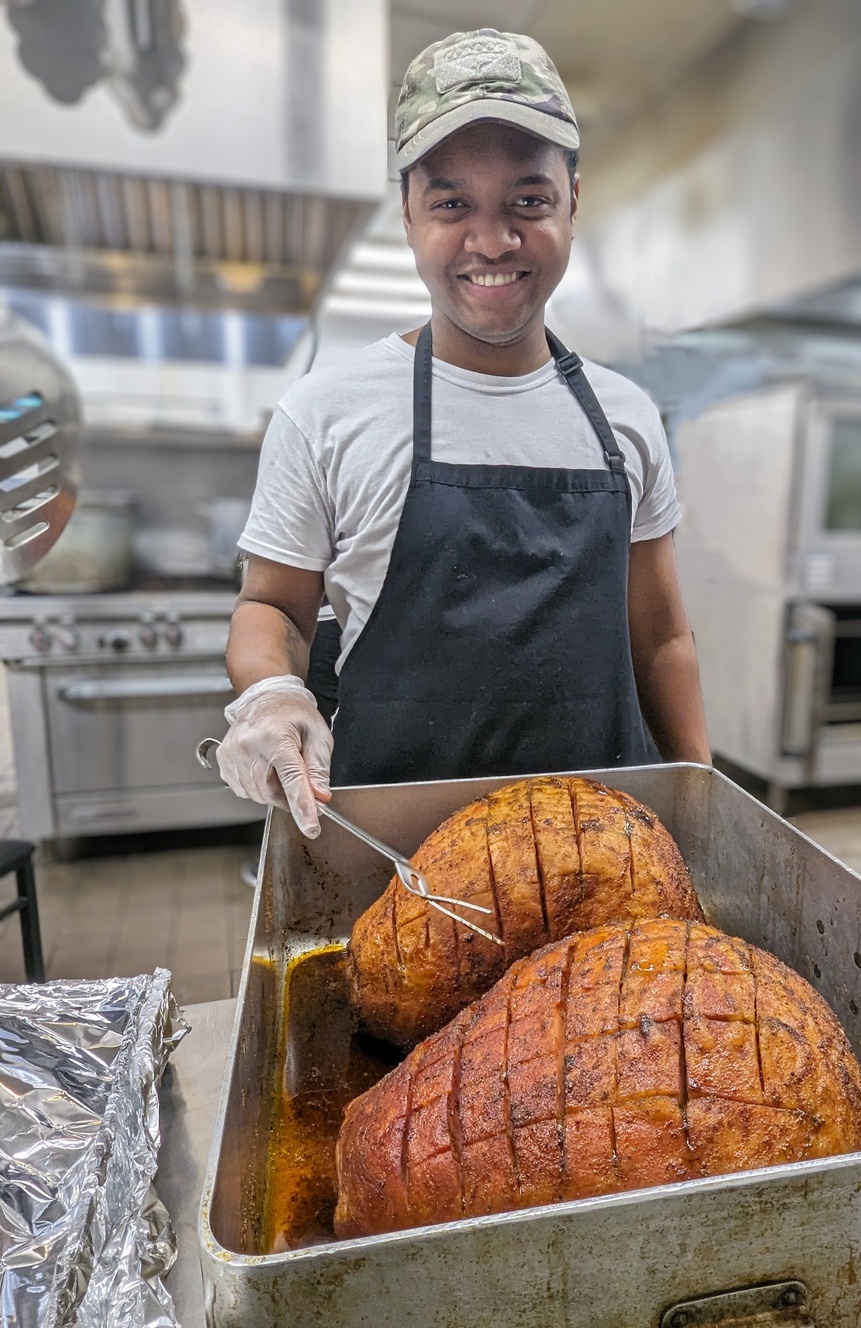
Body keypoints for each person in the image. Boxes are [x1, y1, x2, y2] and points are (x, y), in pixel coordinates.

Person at [218, 28, 711, 839]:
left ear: (573, 205)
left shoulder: (626, 419)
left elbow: (660, 637)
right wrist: (273, 694)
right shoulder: (327, 411)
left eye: (528, 201)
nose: (492, 241)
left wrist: (701, 802)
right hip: (397, 858)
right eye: (453, 204)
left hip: (605, 849)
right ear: (408, 212)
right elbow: (273, 607)